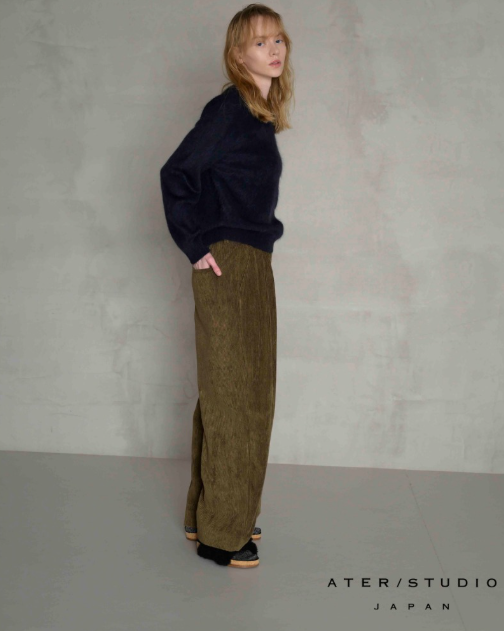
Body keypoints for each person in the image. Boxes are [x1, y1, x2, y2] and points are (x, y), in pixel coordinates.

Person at [159, 3, 294, 568]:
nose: (273, 49)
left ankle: (210, 513)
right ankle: (223, 533)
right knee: (240, 394)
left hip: (251, 260)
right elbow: (177, 173)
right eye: (259, 42)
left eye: (277, 39)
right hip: (230, 263)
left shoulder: (256, 116)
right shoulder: (230, 109)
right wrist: (195, 243)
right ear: (238, 54)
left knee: (231, 390)